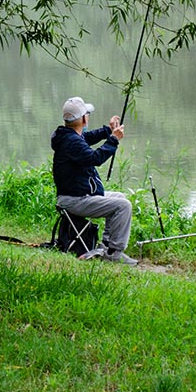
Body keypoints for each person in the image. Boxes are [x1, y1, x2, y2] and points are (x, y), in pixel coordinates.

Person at [51, 96, 138, 266]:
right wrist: (113, 140)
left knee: (119, 197)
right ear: (83, 118)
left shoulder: (69, 136)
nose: (88, 117)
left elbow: (88, 137)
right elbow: (95, 158)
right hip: (75, 200)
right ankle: (114, 253)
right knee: (123, 206)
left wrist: (109, 130)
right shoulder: (72, 142)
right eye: (87, 114)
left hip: (79, 194)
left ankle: (107, 247)